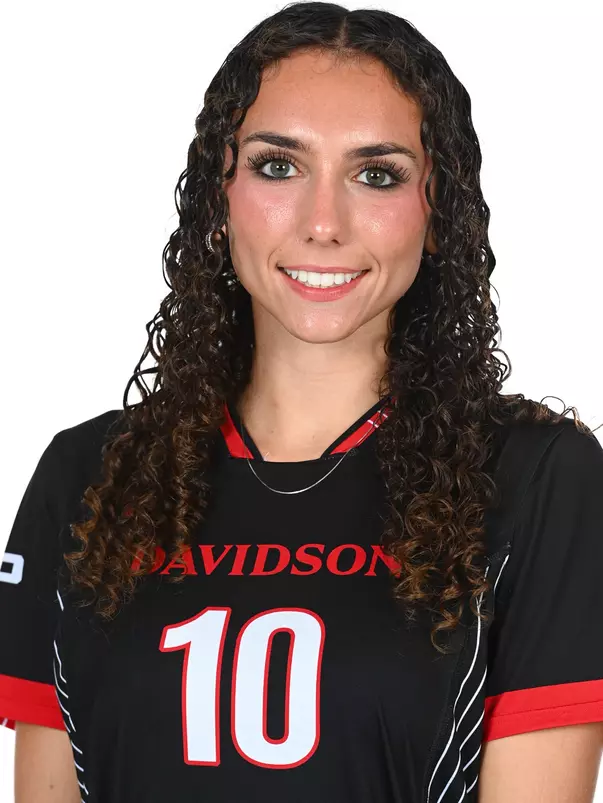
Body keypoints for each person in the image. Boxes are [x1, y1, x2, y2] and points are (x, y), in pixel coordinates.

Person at [1, 2, 603, 801]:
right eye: (278, 166)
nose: (324, 223)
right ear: (218, 193)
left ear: (436, 210)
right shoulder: (89, 475)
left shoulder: (537, 481)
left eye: (375, 174)